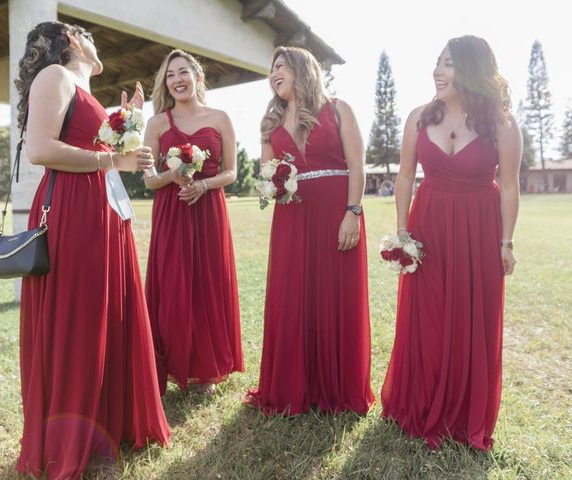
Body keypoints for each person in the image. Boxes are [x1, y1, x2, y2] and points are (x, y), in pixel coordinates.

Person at [16, 21, 170, 478]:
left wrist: (128, 125)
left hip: (104, 211)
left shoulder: (84, 88)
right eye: (89, 35)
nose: (95, 42)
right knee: (80, 316)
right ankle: (69, 436)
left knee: (108, 314)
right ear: (74, 40)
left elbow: (104, 154)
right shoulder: (56, 77)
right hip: (71, 210)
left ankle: (110, 421)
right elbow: (41, 149)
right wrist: (111, 158)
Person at [381, 35, 521, 450]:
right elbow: (405, 176)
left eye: (448, 64)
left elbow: (510, 186)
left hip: (479, 226)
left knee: (472, 316)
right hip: (430, 225)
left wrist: (506, 241)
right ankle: (420, 402)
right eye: (437, 64)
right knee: (428, 314)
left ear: (471, 68)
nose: (437, 72)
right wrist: (403, 231)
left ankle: (464, 413)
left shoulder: (501, 123)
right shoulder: (419, 117)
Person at [246, 46, 374, 415]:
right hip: (292, 217)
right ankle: (295, 385)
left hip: (337, 210)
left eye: (281, 66)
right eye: (272, 69)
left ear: (303, 69)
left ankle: (338, 386)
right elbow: (266, 174)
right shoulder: (269, 123)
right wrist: (272, 187)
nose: (274, 74)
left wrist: (353, 211)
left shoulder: (338, 109)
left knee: (337, 293)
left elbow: (357, 164)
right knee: (294, 294)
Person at [143, 49, 244, 395]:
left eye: (183, 72)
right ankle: (168, 364)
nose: (177, 80)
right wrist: (175, 174)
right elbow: (148, 180)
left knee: (207, 285)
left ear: (197, 77)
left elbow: (232, 172)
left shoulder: (220, 118)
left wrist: (202, 184)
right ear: (165, 83)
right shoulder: (156, 123)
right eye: (170, 75)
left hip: (209, 210)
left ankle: (204, 370)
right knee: (172, 286)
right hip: (172, 212)